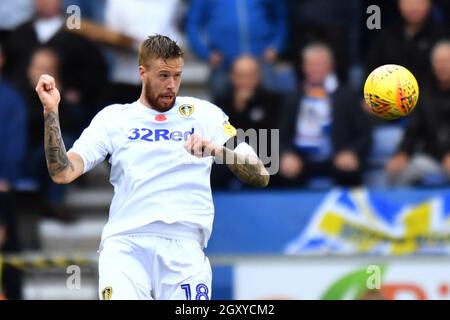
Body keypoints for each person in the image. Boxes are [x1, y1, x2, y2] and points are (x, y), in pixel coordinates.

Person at [35, 35, 269, 300]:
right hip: (126, 245)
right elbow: (63, 172)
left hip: (185, 247)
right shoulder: (114, 119)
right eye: (163, 75)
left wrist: (216, 150)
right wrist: (50, 111)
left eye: (177, 75)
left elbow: (260, 175)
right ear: (142, 73)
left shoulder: (206, 115)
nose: (171, 85)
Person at [277, 43, 371, 188]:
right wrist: (287, 155)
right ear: (304, 67)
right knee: (280, 174)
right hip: (301, 158)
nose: (316, 69)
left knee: (350, 173)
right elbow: (281, 134)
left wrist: (351, 152)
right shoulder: (293, 97)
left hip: (337, 157)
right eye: (311, 64)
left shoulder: (346, 96)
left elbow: (364, 134)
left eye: (321, 64)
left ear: (330, 66)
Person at [386, 40, 450, 186]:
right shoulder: (425, 95)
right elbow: (413, 130)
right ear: (433, 65)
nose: (442, 66)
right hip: (432, 157)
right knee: (398, 172)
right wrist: (402, 153)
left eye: (446, 61)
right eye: (438, 62)